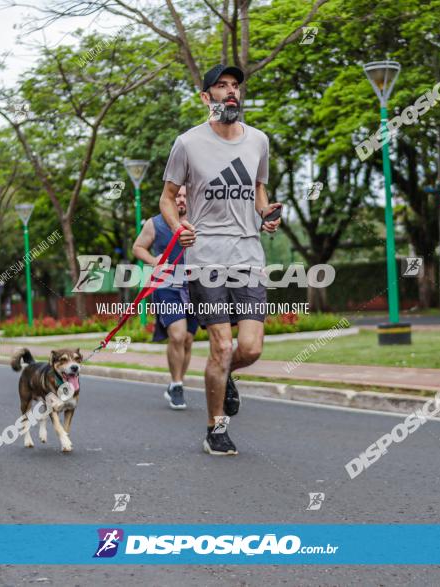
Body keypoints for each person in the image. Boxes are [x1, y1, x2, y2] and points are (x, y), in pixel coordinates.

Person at [159, 64, 281, 456]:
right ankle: (216, 428)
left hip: (247, 253)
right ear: (206, 97)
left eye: (235, 86)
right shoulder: (188, 143)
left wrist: (266, 213)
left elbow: (259, 188)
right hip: (205, 255)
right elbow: (167, 196)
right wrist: (178, 225)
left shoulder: (258, 141)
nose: (231, 92)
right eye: (221, 86)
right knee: (222, 347)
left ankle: (224, 376)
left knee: (251, 348)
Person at [132, 185, 198, 410]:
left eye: (185, 196)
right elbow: (138, 247)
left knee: (188, 339)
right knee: (177, 335)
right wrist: (155, 262)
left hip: (195, 288)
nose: (181, 200)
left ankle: (177, 383)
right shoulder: (156, 223)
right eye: (177, 195)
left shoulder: (201, 222)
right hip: (167, 286)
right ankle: (177, 384)